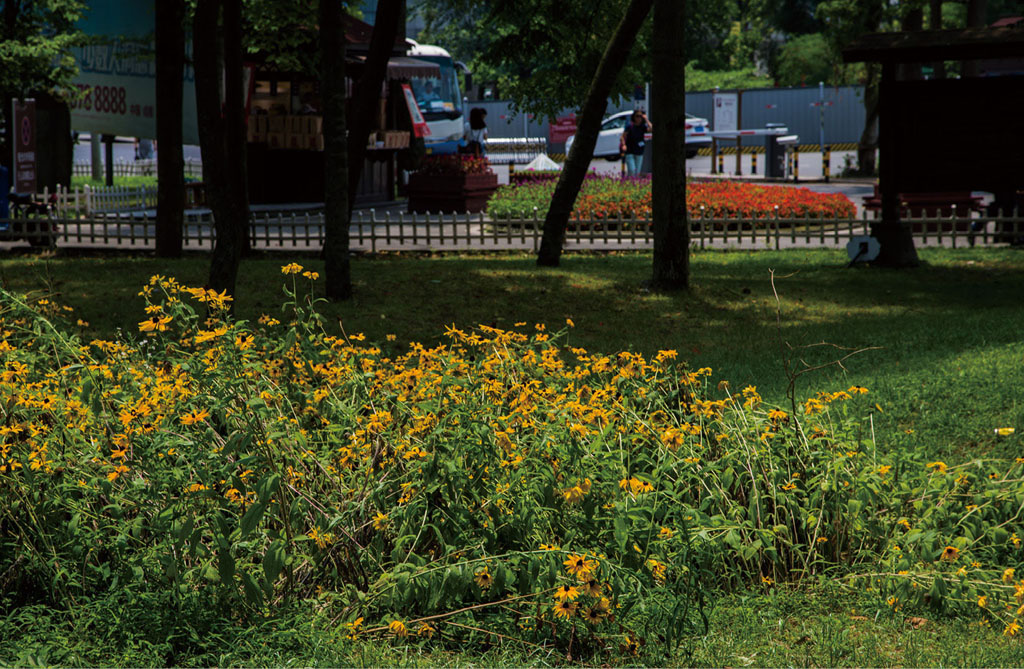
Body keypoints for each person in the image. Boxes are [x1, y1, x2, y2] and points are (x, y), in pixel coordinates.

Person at [619, 110, 652, 177]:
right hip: (630, 151)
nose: (639, 118)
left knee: (637, 172)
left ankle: (632, 184)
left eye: (640, 116)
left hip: (639, 151)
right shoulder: (630, 126)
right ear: (634, 117)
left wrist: (646, 119)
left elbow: (651, 128)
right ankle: (630, 182)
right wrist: (624, 145)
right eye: (637, 116)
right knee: (632, 170)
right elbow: (622, 137)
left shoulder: (643, 127)